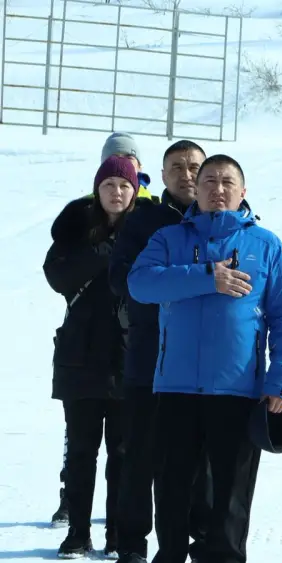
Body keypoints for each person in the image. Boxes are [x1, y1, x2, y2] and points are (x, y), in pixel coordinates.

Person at [127, 154, 282, 563]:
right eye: (209, 181)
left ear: (243, 192)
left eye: (227, 182)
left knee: (231, 498)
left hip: (238, 391)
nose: (217, 189)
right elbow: (140, 283)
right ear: (196, 189)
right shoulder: (169, 238)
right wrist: (208, 277)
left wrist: (280, 380)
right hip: (176, 388)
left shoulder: (265, 244)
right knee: (171, 491)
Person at [108, 140, 213, 563]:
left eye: (194, 167)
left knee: (200, 461)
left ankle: (200, 539)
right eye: (177, 167)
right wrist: (188, 280)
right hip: (150, 358)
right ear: (162, 175)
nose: (187, 175)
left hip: (205, 364)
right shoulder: (143, 221)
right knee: (140, 456)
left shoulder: (222, 219)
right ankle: (132, 544)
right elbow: (122, 279)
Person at [44, 155, 153, 558]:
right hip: (80, 357)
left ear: (135, 191)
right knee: (81, 453)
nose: (117, 192)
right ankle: (77, 532)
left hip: (129, 357)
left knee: (123, 454)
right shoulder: (76, 229)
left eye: (125, 186)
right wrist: (104, 254)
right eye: (109, 185)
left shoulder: (145, 232)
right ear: (97, 190)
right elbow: (56, 275)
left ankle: (117, 535)